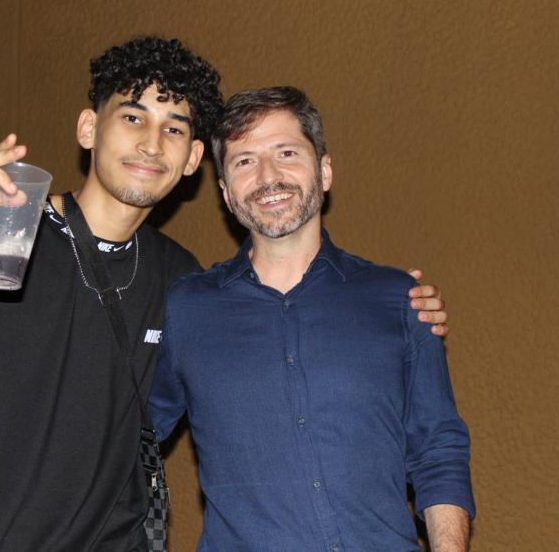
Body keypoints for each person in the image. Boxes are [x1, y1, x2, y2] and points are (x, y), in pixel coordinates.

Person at [0, 38, 450, 551]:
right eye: (132, 117)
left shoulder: (182, 282)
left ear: (193, 159)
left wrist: (398, 309)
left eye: (173, 127)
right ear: (88, 128)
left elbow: (172, 402)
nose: (152, 143)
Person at [147, 86, 474, 551]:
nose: (268, 176)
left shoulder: (399, 299)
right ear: (225, 192)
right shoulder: (187, 308)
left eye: (286, 153)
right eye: (245, 161)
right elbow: (127, 442)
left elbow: (438, 451)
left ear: (324, 170)